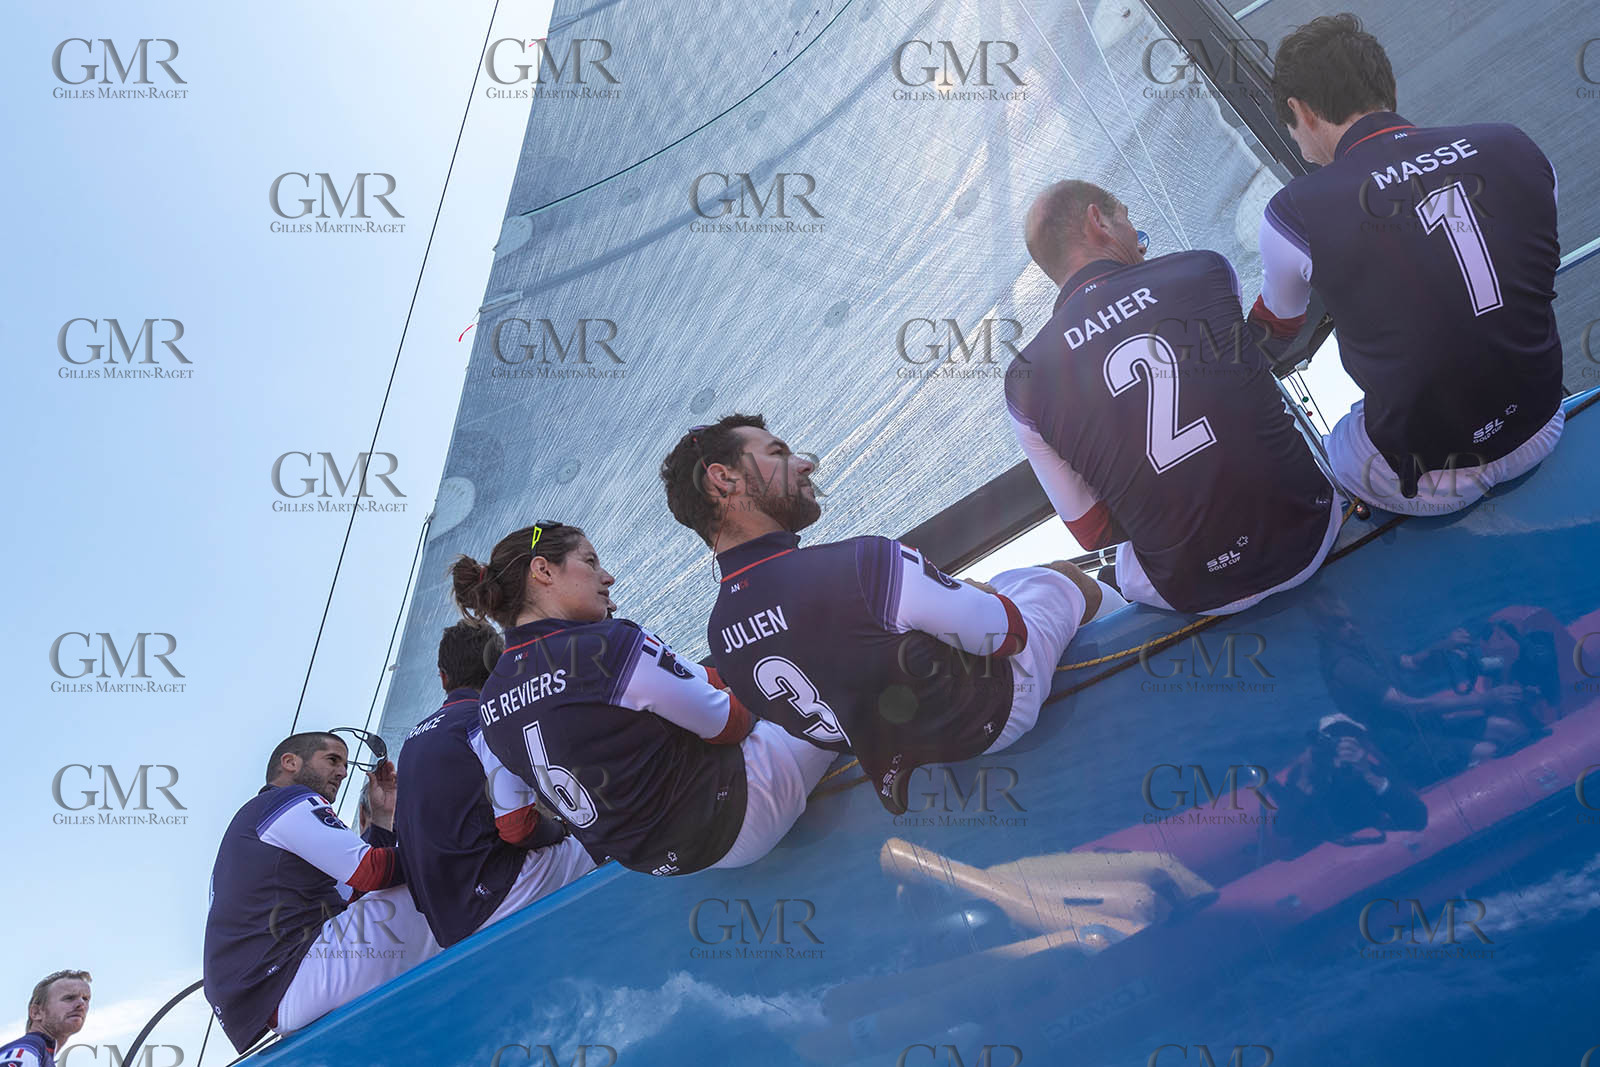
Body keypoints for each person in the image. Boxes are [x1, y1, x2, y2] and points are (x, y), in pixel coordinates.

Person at [660, 415, 1122, 815]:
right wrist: (972, 591)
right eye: (778, 452)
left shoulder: (719, 638)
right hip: (994, 714)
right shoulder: (860, 563)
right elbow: (1006, 635)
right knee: (1059, 578)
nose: (806, 463)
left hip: (909, 765)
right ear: (723, 480)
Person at [1251, 13, 1563, 515]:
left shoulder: (1291, 214)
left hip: (1436, 476)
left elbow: (1276, 329)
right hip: (1544, 420)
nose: (1301, 148)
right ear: (1388, 86)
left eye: (1292, 128)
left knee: (1337, 445)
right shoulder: (1514, 144)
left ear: (1301, 110)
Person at [1010, 180, 1340, 614]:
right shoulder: (1204, 269)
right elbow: (1249, 370)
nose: (1140, 246)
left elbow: (1094, 533)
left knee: (1114, 570)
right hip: (1311, 533)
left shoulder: (1024, 382)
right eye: (1129, 223)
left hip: (1195, 591)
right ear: (1098, 221)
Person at [455, 521, 836, 877]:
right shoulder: (604, 644)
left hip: (664, 862)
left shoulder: (489, 704)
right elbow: (732, 724)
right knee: (834, 658)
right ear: (543, 570)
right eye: (590, 562)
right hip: (739, 814)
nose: (608, 577)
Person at [203, 732, 438, 1052]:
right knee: (446, 876)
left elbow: (357, 892)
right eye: (332, 760)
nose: (342, 772)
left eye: (344, 763)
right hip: (299, 974)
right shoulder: (285, 801)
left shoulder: (258, 822)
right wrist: (450, 842)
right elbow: (371, 871)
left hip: (285, 999)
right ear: (290, 763)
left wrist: (382, 818)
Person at [395, 620, 596, 948]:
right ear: (498, 666)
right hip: (495, 899)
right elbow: (517, 828)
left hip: (445, 925)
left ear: (443, 678)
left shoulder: (409, 743)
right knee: (609, 834)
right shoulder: (484, 719)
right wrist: (561, 830)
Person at [1, 971, 90, 1067]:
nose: (82, 1005)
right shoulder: (26, 1050)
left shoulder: (40, 1055)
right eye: (69, 998)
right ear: (36, 1012)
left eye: (85, 998)